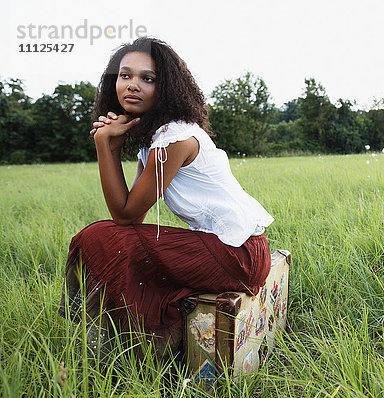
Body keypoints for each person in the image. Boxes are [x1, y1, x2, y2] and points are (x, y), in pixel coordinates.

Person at [59, 37, 274, 357]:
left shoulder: (174, 138)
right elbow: (135, 217)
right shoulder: (158, 135)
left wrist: (106, 145)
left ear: (168, 87)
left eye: (148, 78)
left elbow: (125, 216)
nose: (132, 85)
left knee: (98, 237)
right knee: (119, 242)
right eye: (125, 75)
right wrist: (114, 144)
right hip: (235, 250)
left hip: (237, 255)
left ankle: (118, 342)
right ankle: (138, 338)